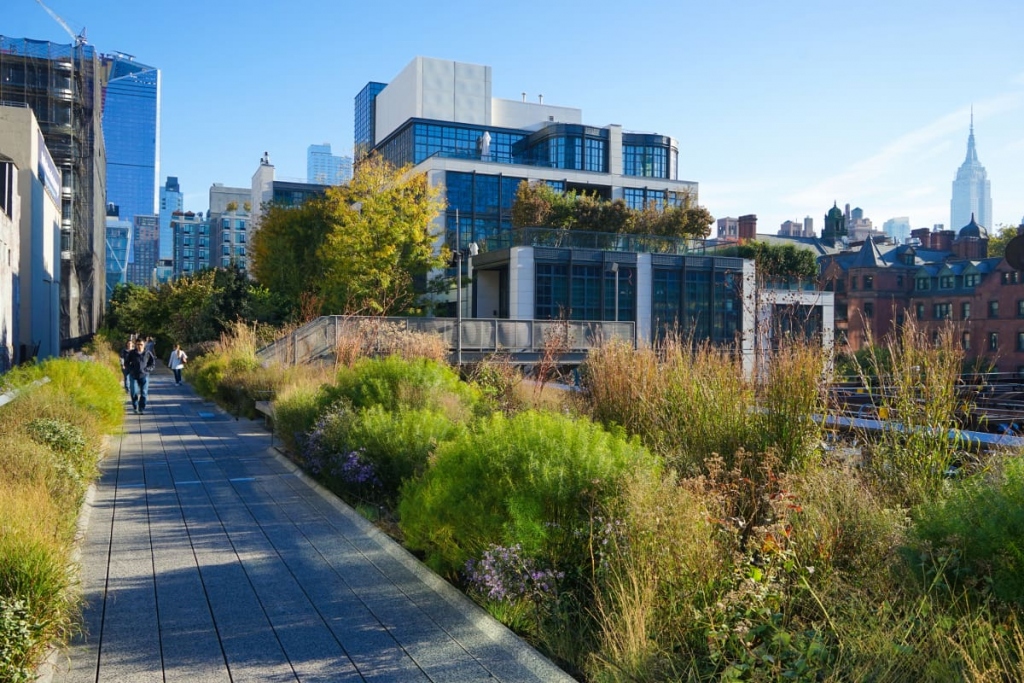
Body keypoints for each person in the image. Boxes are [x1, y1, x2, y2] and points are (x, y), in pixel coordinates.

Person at [126, 338, 156, 414]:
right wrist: (131, 370)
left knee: (144, 393)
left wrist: (147, 369)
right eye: (138, 344)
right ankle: (135, 407)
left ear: (144, 345)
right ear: (135, 345)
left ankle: (141, 408)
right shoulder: (132, 353)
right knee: (134, 392)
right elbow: (127, 363)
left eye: (141, 344)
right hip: (134, 375)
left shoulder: (147, 353)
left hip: (144, 375)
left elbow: (152, 363)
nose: (139, 346)